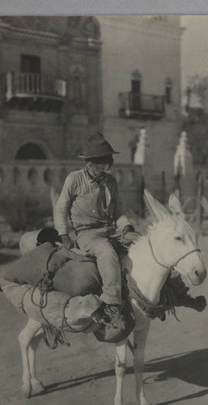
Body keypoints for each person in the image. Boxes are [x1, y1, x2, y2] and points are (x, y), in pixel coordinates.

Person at [54, 132, 136, 327]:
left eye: (108, 160)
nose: (107, 165)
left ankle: (167, 291)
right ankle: (112, 303)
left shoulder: (111, 182)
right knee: (107, 252)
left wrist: (127, 227)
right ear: (89, 162)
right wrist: (64, 235)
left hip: (110, 229)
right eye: (101, 161)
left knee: (141, 243)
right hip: (87, 234)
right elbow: (60, 208)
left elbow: (120, 211)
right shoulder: (74, 179)